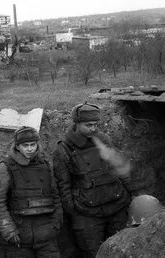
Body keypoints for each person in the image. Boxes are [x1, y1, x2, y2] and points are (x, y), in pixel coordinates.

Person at [53, 102, 135, 258]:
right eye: (88, 125)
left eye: (95, 124)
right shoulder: (63, 150)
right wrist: (75, 211)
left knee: (122, 250)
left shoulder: (104, 140)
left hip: (117, 206)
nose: (93, 129)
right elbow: (63, 186)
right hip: (87, 214)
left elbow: (119, 166)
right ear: (76, 124)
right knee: (94, 253)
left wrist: (132, 192)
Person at [0, 126, 63, 258]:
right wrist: (9, 231)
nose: (30, 149)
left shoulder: (45, 165)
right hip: (19, 240)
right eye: (25, 145)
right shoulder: (5, 167)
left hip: (46, 237)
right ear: (17, 146)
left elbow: (56, 197)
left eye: (33, 144)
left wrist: (56, 225)